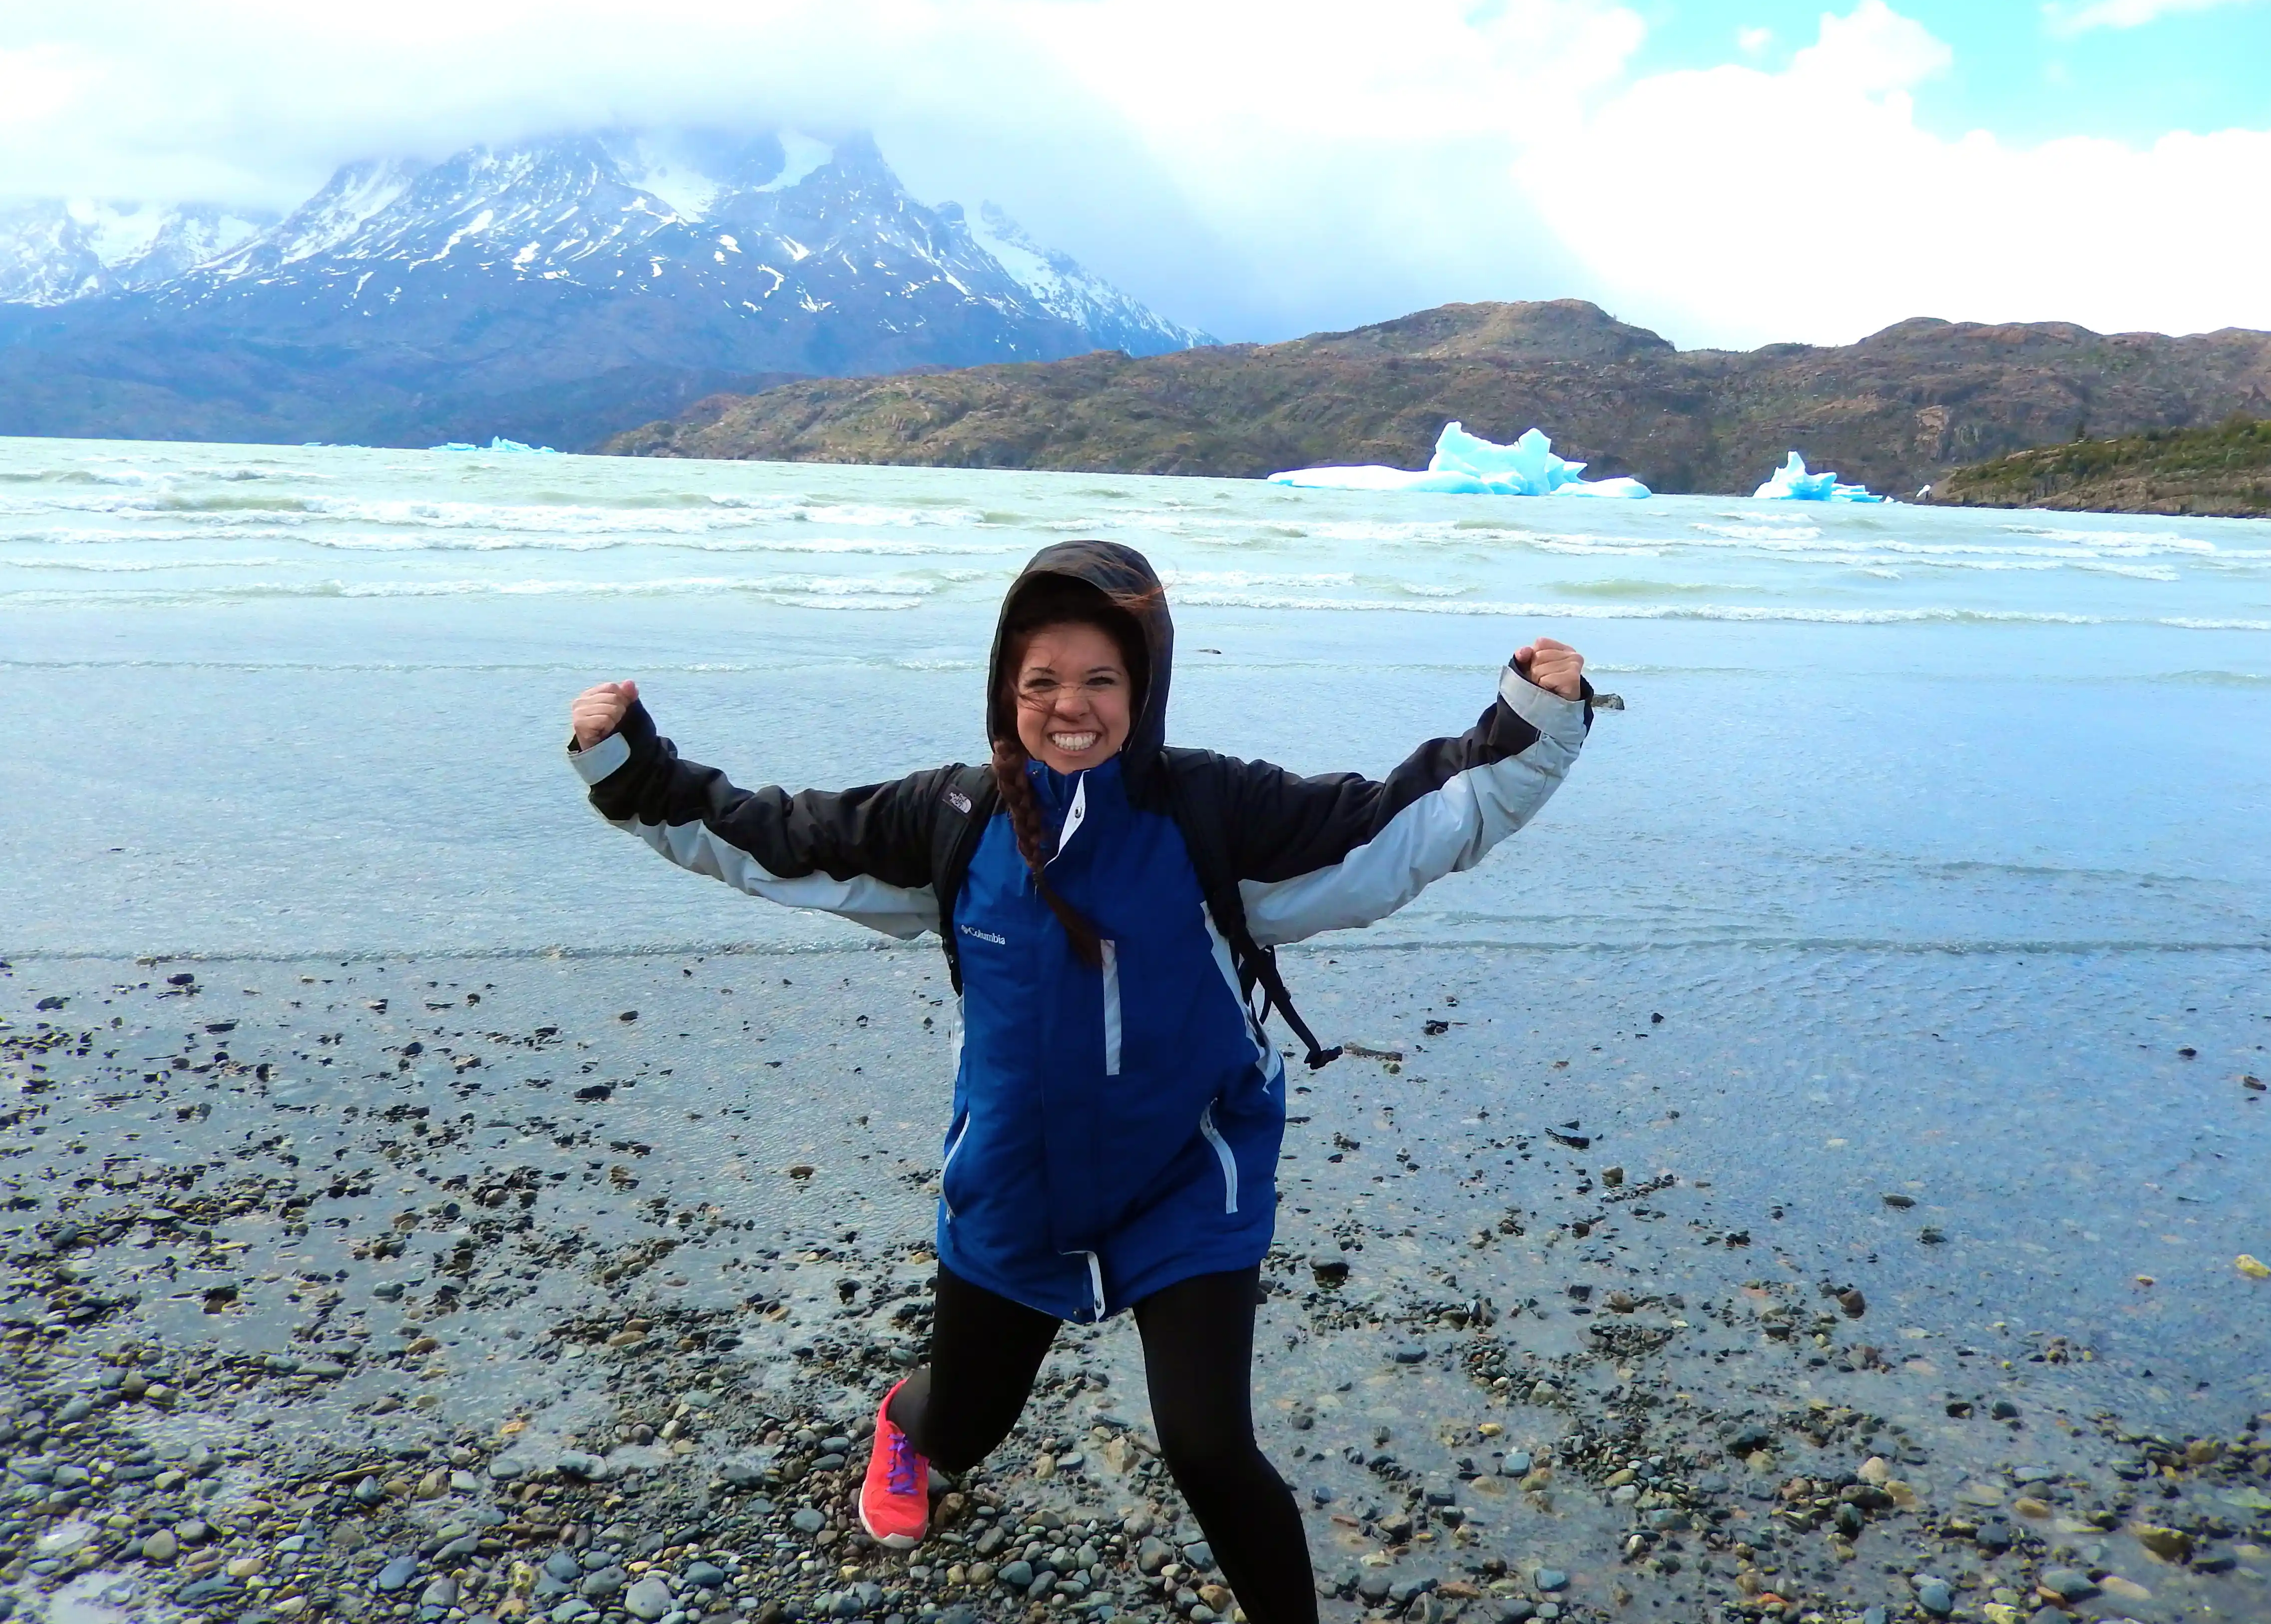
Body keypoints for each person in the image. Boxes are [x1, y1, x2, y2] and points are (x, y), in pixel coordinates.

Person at [567, 541, 1593, 1624]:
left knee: (1208, 1446)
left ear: (1142, 687)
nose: (1071, 707)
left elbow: (1401, 824)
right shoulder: (952, 821)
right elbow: (775, 836)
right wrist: (631, 766)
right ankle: (905, 1431)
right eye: (1041, 683)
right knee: (967, 1420)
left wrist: (1528, 722)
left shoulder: (1211, 811)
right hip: (1019, 1180)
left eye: (1101, 680)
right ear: (1005, 692)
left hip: (1189, 1176)